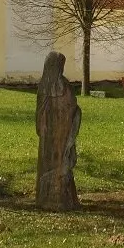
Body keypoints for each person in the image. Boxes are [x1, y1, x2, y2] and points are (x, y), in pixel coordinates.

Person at [34, 51, 81, 210]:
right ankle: (50, 197)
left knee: (61, 159)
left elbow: (73, 106)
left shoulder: (61, 84)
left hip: (62, 130)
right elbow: (41, 109)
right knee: (52, 161)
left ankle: (60, 196)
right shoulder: (48, 85)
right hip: (51, 132)